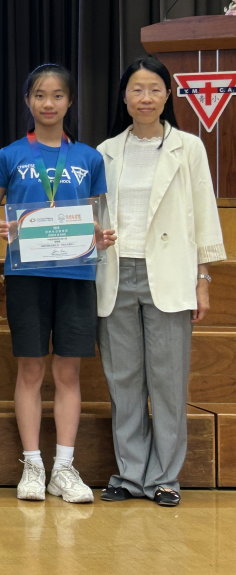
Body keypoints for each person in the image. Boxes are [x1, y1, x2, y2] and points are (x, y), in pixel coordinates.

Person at [96, 57, 225, 507]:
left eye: (154, 89)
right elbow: (94, 213)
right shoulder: (105, 151)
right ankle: (131, 474)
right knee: (123, 380)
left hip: (168, 273)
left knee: (168, 382)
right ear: (124, 97)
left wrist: (202, 278)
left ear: (168, 95)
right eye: (137, 89)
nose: (145, 98)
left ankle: (165, 477)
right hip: (117, 273)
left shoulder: (188, 147)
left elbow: (204, 213)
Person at [0, 63, 116, 504]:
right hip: (26, 274)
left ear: (70, 102)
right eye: (40, 95)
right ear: (28, 101)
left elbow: (97, 216)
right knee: (30, 369)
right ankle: (32, 465)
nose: (48, 103)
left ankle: (63, 467)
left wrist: (100, 236)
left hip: (77, 274)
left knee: (67, 372)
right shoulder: (9, 156)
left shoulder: (89, 158)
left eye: (58, 95)